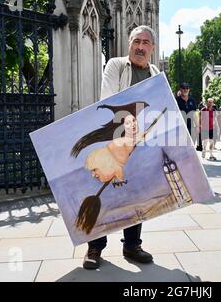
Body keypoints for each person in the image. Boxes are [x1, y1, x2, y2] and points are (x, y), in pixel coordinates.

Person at [83, 25, 160, 270]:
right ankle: (95, 247)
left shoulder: (156, 72)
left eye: (146, 43)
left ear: (152, 48)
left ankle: (132, 245)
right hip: (112, 140)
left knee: (134, 192)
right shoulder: (116, 65)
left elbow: (156, 108)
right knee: (101, 191)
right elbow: (109, 97)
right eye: (136, 41)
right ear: (129, 44)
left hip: (138, 144)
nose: (140, 47)